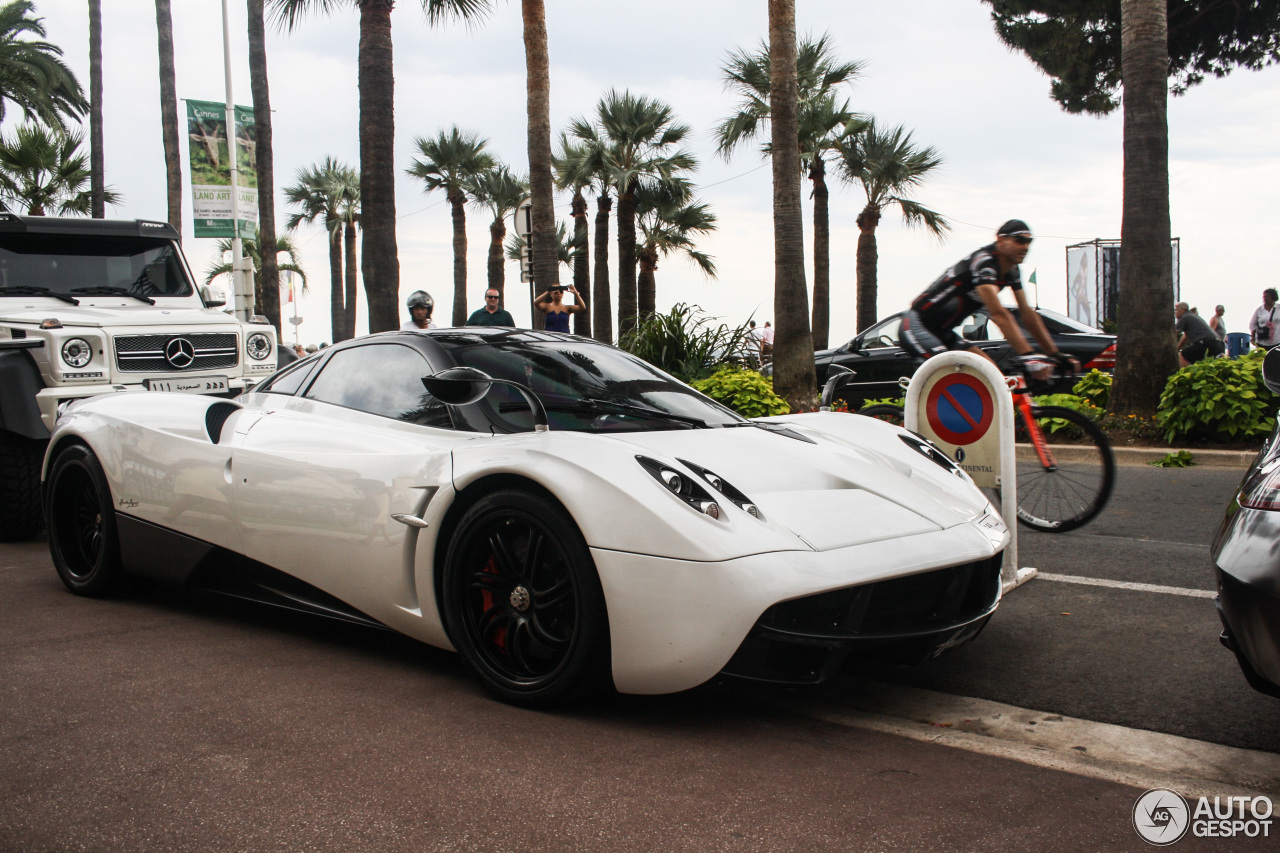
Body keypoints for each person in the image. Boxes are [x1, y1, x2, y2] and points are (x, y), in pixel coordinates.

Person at [901, 219, 1074, 382]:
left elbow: (1027, 313)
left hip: (943, 332)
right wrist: (1028, 354)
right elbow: (998, 314)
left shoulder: (1012, 271)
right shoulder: (983, 263)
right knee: (950, 373)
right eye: (1019, 240)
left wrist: (1054, 353)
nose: (1025, 246)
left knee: (995, 379)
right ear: (1000, 241)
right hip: (917, 325)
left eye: (1029, 242)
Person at [1176, 301, 1224, 366]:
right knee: (1205, 365)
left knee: (1182, 355)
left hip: (1207, 343)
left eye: (1176, 309)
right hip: (1219, 344)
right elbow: (1185, 336)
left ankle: (1189, 375)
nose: (1175, 312)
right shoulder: (1194, 317)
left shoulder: (1184, 317)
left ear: (1183, 310)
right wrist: (1177, 348)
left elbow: (1174, 334)